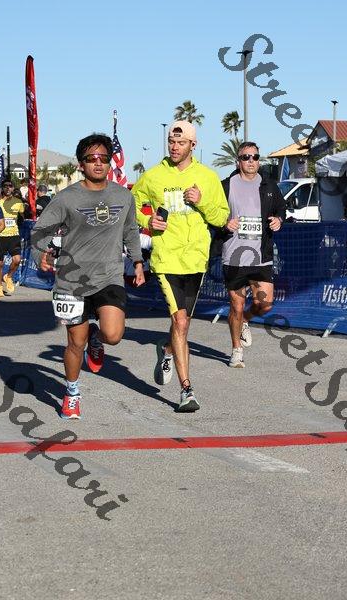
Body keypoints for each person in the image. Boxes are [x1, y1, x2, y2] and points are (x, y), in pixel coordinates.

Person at [31, 133, 144, 420]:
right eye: (91, 158)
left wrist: (137, 261)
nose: (98, 163)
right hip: (72, 281)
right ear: (81, 164)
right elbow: (40, 231)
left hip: (109, 276)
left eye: (103, 158)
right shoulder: (66, 198)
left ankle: (98, 336)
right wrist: (41, 254)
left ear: (110, 162)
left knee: (113, 335)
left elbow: (131, 230)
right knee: (75, 343)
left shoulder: (123, 196)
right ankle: (71, 393)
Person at [132, 120, 229, 412]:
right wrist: (147, 220)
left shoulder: (207, 177)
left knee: (182, 324)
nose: (174, 147)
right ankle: (187, 391)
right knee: (181, 322)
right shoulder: (153, 176)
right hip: (166, 258)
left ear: (193, 145)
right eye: (171, 142)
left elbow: (221, 217)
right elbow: (130, 205)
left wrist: (201, 202)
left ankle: (166, 349)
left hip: (196, 259)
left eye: (181, 143)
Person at [221, 141, 286, 368]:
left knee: (265, 304)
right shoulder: (226, 185)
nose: (251, 161)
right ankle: (236, 350)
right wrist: (224, 223)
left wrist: (278, 220)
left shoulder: (268, 184)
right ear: (238, 161)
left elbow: (281, 208)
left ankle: (245, 321)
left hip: (261, 255)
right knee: (236, 306)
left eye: (255, 157)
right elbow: (214, 214)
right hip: (234, 256)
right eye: (246, 157)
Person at [0, 180, 25, 298]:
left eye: (10, 186)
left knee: (17, 260)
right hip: (0, 236)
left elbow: (22, 217)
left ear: (13, 188)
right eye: (5, 186)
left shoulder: (18, 202)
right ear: (2, 188)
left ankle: (8, 277)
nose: (8, 188)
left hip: (14, 235)